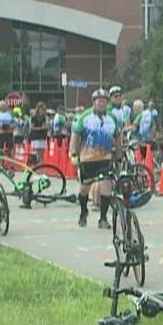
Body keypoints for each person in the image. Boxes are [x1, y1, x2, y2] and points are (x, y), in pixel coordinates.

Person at [71, 89, 122, 229]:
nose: (102, 103)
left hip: (105, 158)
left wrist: (119, 155)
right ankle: (83, 212)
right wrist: (73, 153)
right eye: (99, 100)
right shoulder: (85, 117)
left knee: (106, 186)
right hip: (87, 159)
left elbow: (117, 136)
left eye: (104, 101)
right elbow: (75, 135)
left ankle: (103, 218)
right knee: (84, 189)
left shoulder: (111, 118)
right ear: (93, 102)